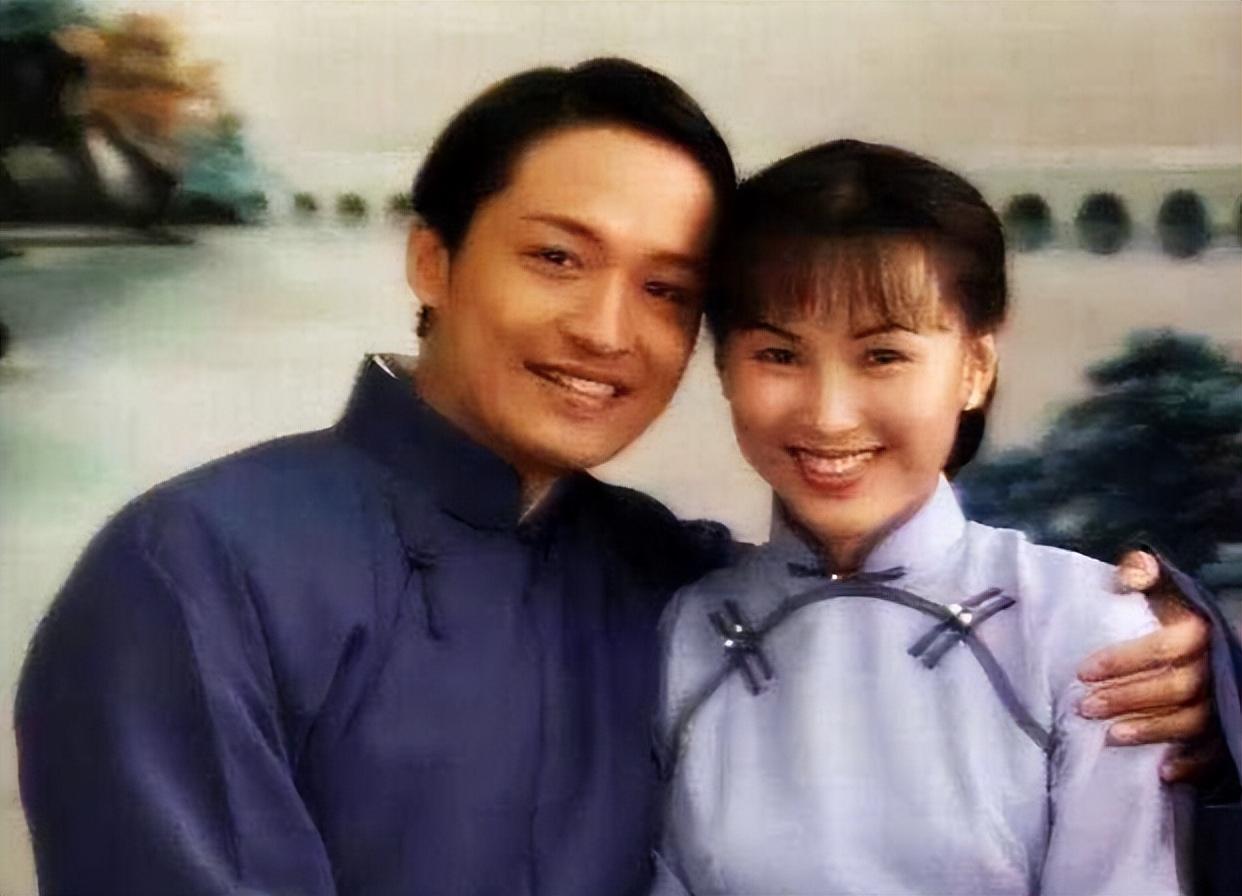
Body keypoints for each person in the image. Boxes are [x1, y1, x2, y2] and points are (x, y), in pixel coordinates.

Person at [13, 61, 1229, 896]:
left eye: (665, 288)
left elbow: (870, 593)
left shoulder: (661, 573)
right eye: (557, 257)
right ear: (432, 257)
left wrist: (1196, 659)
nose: (606, 329)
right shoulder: (197, 568)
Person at [651, 140, 1241, 895]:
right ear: (724, 369)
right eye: (779, 355)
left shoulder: (1085, 629)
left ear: (974, 368)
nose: (829, 415)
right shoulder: (686, 631)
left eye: (883, 356)